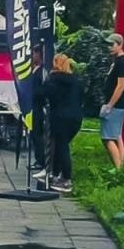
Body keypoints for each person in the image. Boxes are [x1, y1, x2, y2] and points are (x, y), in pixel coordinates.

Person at [39, 54, 83, 193]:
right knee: (61, 145)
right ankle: (56, 174)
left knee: (62, 147)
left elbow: (41, 94)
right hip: (76, 117)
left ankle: (66, 180)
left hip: (60, 117)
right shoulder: (76, 81)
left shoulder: (53, 80)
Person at [101, 32, 124, 168]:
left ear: (120, 45)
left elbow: (120, 86)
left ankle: (118, 167)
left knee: (107, 137)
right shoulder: (119, 61)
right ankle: (121, 165)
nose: (109, 47)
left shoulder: (122, 62)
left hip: (116, 104)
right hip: (119, 104)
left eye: (112, 44)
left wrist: (109, 105)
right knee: (117, 135)